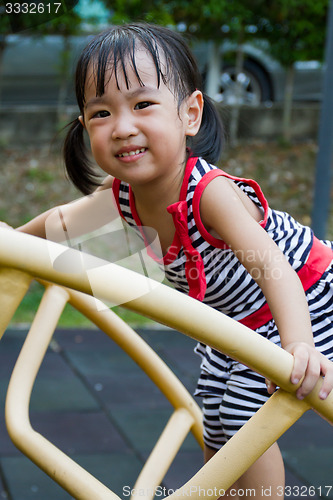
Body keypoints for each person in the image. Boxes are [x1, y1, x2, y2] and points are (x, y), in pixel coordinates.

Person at [2, 23, 333, 498]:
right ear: (84, 126)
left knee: (244, 422)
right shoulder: (120, 196)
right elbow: (61, 222)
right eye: (100, 113)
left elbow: (275, 269)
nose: (122, 126)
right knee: (215, 420)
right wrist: (12, 241)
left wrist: (297, 345)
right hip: (235, 323)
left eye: (142, 105)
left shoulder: (209, 193)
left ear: (190, 113)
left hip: (307, 298)